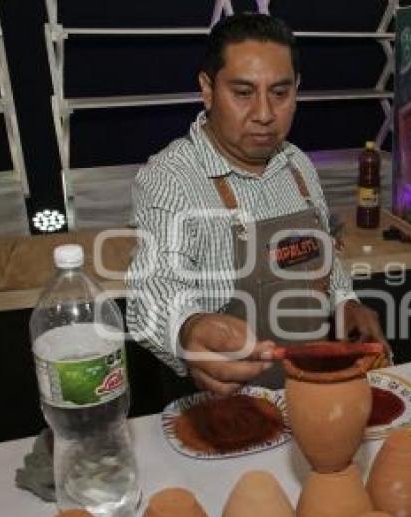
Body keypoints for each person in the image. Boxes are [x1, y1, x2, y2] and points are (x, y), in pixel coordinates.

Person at [126, 13, 387, 394]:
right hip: (227, 409)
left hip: (310, 389)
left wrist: (346, 300)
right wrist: (187, 329)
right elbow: (154, 286)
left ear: (297, 88)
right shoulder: (170, 178)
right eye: (243, 93)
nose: (264, 114)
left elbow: (324, 254)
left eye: (280, 93)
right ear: (207, 88)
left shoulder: (298, 165)